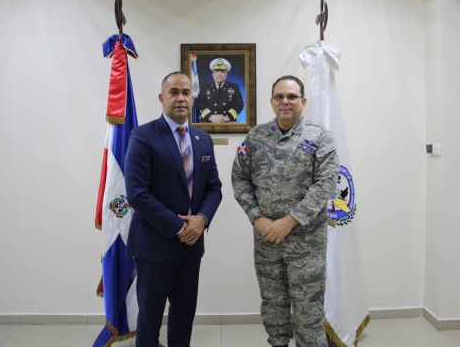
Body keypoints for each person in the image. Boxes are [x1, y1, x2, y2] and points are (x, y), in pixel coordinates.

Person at [231, 75, 339, 347]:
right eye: (279, 97)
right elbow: (239, 178)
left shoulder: (320, 137)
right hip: (267, 240)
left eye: (291, 97)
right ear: (271, 102)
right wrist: (257, 218)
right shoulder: (256, 136)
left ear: (303, 101)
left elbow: (325, 184)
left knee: (308, 311)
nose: (285, 102)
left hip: (306, 244)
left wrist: (289, 222)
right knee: (273, 306)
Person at [124, 72, 223, 347]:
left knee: (183, 318)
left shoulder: (202, 139)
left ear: (193, 97)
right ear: (161, 98)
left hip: (191, 248)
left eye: (186, 92)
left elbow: (214, 188)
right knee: (150, 320)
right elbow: (138, 194)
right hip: (154, 246)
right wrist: (181, 227)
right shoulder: (142, 136)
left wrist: (201, 220)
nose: (181, 98)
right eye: (174, 92)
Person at [195, 58, 244, 123]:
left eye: (222, 71)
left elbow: (239, 104)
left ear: (226, 74)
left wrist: (227, 117)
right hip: (208, 122)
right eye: (217, 71)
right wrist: (211, 117)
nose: (219, 74)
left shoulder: (234, 87)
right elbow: (199, 104)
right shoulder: (204, 87)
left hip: (228, 122)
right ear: (213, 74)